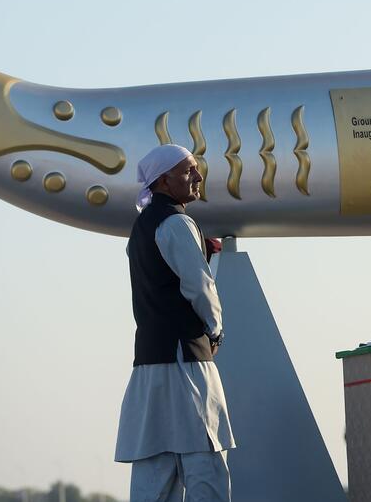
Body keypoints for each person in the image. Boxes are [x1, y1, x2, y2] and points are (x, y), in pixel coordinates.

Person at [114, 144, 235, 501]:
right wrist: (216, 329)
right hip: (185, 362)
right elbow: (200, 285)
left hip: (149, 366)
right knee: (205, 466)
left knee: (155, 473)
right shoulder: (176, 223)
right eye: (188, 171)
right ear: (164, 181)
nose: (198, 177)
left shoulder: (141, 227)